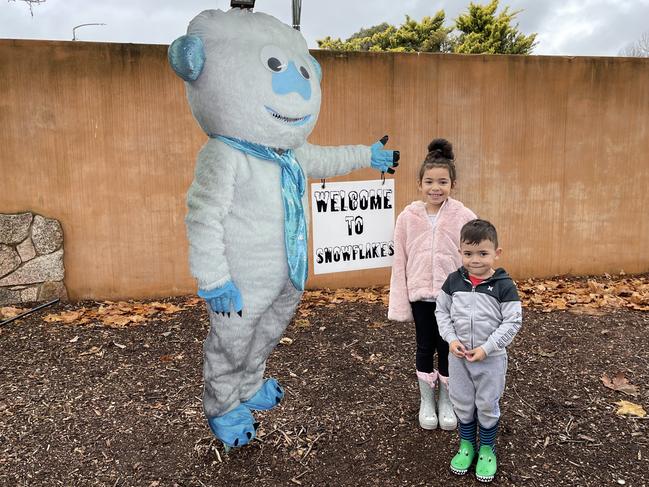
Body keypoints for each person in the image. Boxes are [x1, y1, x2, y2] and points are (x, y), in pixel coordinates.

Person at [388, 138, 476, 431]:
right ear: (419, 184)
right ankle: (427, 400)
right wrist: (400, 301)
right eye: (429, 182)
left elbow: (475, 259)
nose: (435, 188)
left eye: (442, 182)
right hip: (421, 298)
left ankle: (447, 401)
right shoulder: (407, 218)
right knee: (425, 347)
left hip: (452, 298)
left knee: (450, 348)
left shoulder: (464, 217)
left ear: (453, 184)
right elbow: (399, 260)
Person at [435, 219, 523, 483]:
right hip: (459, 358)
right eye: (468, 253)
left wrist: (487, 348)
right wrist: (451, 339)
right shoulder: (453, 282)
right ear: (460, 252)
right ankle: (467, 445)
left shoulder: (504, 286)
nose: (475, 260)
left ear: (496, 253)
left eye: (483, 253)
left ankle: (486, 448)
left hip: (491, 360)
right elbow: (441, 312)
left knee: (486, 404)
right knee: (462, 402)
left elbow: (513, 321)